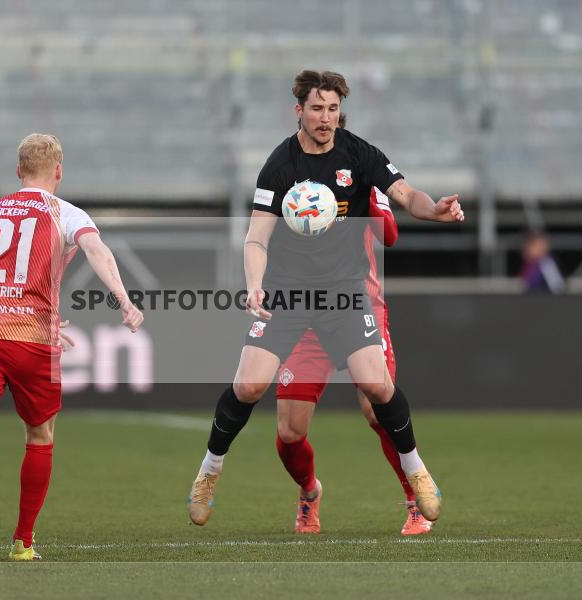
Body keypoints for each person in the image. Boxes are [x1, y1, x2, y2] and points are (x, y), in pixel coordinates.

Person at [187, 70, 464, 529]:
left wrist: (433, 210)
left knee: (376, 387)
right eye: (316, 109)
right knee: (251, 389)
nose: (325, 118)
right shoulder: (280, 165)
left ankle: (416, 471)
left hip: (343, 293)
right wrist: (254, 283)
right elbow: (256, 237)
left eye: (332, 109)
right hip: (289, 294)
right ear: (299, 110)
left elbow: (405, 194)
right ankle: (208, 472)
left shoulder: (359, 153)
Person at [0, 133, 143, 560]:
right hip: (30, 340)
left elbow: (3, 269)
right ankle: (23, 542)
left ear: (18, 171)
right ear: (59, 171)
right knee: (40, 435)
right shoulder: (65, 211)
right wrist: (123, 300)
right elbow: (96, 250)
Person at [276, 187, 432, 535]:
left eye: (333, 126)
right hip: (307, 316)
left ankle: (415, 502)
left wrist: (369, 195)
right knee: (289, 431)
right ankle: (310, 489)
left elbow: (388, 234)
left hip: (361, 308)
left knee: (378, 406)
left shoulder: (363, 174)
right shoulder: (291, 177)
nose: (326, 128)